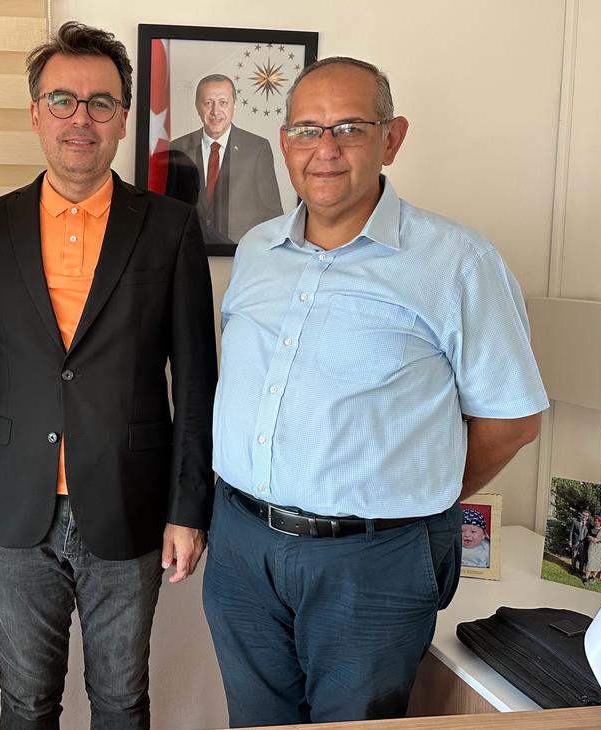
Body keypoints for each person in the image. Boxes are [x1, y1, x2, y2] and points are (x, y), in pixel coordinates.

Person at [205, 56, 549, 726]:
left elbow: (512, 420)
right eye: (307, 130)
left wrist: (414, 498)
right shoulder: (256, 250)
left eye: (349, 128)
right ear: (285, 143)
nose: (325, 149)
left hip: (371, 563)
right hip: (242, 545)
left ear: (392, 138)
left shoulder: (457, 261)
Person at [0, 21, 217, 729]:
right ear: (36, 113)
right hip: (16, 507)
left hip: (130, 502)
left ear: (124, 118)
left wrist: (188, 508)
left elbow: (196, 380)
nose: (82, 118)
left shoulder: (170, 226)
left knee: (122, 699)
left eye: (101, 102)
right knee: (25, 701)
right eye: (63, 100)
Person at [166, 74, 283, 243]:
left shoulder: (257, 148)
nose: (215, 111)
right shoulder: (177, 148)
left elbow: (272, 215)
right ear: (198, 107)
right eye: (208, 103)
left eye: (223, 102)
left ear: (234, 105)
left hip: (240, 252)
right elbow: (169, 209)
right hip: (189, 249)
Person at [585, 514, 601, 582]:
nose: (596, 522)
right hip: (592, 547)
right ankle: (586, 577)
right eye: (595, 521)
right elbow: (588, 536)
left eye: (598, 521)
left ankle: (593, 576)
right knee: (590, 562)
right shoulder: (591, 529)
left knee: (598, 563)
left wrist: (599, 540)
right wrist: (592, 538)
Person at [570, 509, 592, 577]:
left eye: (586, 516)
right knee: (574, 556)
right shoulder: (575, 522)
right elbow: (571, 532)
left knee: (582, 558)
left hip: (583, 544)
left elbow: (590, 534)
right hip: (576, 542)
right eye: (583, 515)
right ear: (581, 515)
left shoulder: (589, 525)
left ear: (588, 517)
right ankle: (573, 569)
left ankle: (580, 571)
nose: (584, 516)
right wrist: (570, 541)